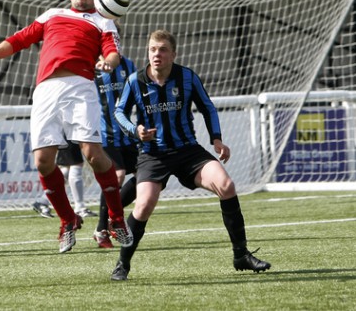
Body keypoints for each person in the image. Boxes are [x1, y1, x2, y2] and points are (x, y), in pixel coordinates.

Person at [0, 0, 133, 253]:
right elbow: (19, 39)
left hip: (81, 88)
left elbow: (113, 53)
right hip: (46, 91)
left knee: (93, 154)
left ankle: (116, 219)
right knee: (43, 161)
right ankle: (68, 220)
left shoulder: (103, 21)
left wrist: (108, 63)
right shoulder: (52, 14)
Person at [111, 29, 271, 280]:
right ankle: (122, 264)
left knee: (226, 186)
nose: (157, 54)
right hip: (153, 154)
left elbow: (207, 107)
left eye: (163, 49)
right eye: (153, 49)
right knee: (143, 205)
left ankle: (241, 255)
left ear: (174, 54)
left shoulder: (187, 77)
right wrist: (135, 130)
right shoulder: (135, 81)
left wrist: (216, 139)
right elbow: (119, 113)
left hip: (188, 151)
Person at [93, 51, 139, 248]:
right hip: (105, 134)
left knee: (148, 175)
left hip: (128, 133)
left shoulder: (129, 66)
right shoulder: (92, 70)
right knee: (117, 174)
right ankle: (102, 229)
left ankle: (110, 219)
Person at [32, 142, 97, 219]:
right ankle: (80, 207)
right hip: (68, 133)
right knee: (75, 164)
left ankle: (43, 201)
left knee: (68, 167)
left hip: (68, 133)